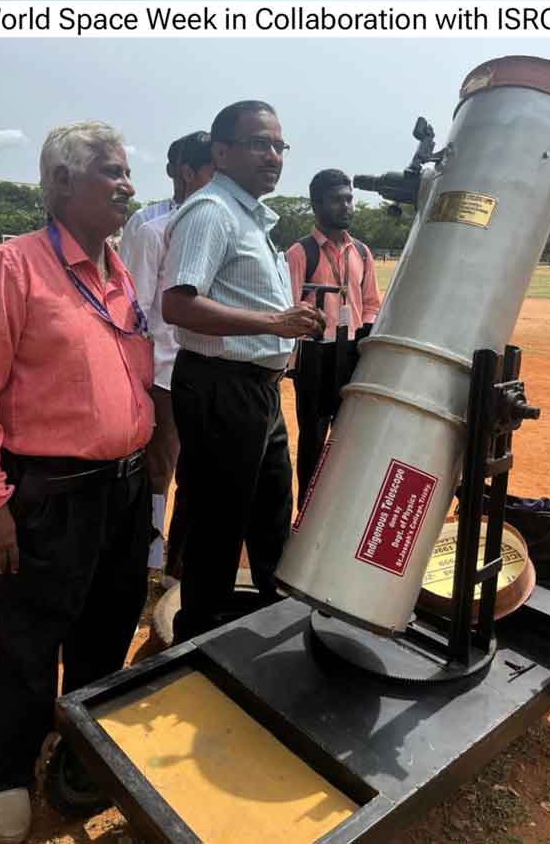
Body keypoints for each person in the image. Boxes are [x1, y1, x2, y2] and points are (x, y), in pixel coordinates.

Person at [0, 121, 154, 844]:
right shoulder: (11, 268)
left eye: (126, 172)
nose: (127, 184)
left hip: (124, 488)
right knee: (28, 642)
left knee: (107, 631)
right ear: (63, 181)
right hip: (47, 495)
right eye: (112, 172)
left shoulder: (117, 272)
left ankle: (79, 750)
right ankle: (8, 769)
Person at [162, 100, 325, 642]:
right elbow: (179, 304)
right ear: (221, 151)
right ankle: (197, 641)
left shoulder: (251, 216)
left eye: (279, 145)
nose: (273, 155)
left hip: (258, 390)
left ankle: (274, 632)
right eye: (259, 143)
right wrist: (275, 322)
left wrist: (284, 322)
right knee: (219, 524)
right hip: (220, 386)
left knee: (271, 514)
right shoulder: (212, 211)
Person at [123, 131, 213, 578]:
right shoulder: (152, 228)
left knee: (200, 473)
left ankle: (179, 561)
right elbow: (133, 309)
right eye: (214, 171)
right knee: (160, 469)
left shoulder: (219, 226)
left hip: (211, 372)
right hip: (165, 374)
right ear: (187, 173)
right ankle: (149, 560)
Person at [286, 169, 382, 507]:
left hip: (353, 353)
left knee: (350, 436)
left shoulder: (362, 252)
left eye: (349, 199)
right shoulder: (300, 253)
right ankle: (306, 514)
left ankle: (340, 509)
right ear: (317, 205)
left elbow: (371, 303)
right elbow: (289, 307)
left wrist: (365, 330)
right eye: (336, 200)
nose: (346, 206)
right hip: (316, 354)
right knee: (313, 440)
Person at [117, 135, 188, 264]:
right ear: (170, 170)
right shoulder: (143, 219)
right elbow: (124, 270)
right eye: (187, 166)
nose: (189, 174)